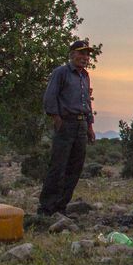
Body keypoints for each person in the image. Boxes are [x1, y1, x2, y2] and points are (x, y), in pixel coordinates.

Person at [35, 39, 96, 222]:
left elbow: (87, 102)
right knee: (58, 166)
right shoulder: (61, 73)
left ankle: (61, 207)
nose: (85, 57)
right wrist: (56, 118)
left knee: (75, 168)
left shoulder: (85, 76)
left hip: (81, 124)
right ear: (72, 54)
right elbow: (50, 96)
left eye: (87, 54)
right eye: (81, 53)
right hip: (66, 123)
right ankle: (47, 208)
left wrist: (90, 126)